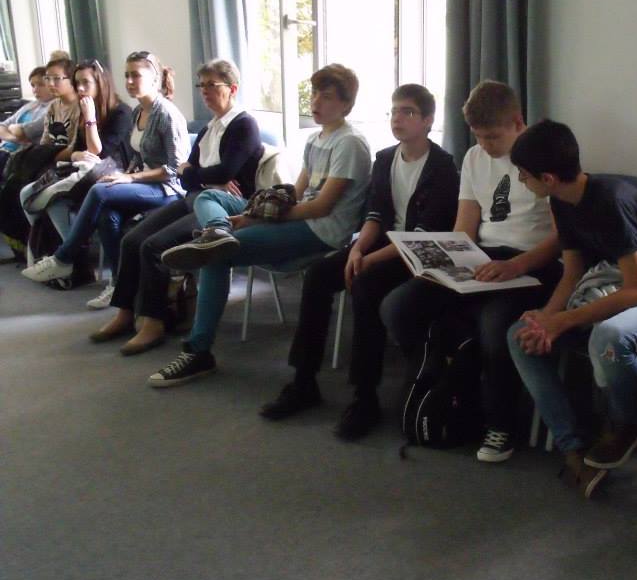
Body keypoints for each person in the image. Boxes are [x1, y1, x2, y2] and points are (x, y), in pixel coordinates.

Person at [149, 63, 370, 388]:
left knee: (215, 256)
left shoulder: (350, 143)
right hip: (300, 217)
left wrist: (256, 218)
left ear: (346, 104)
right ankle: (218, 230)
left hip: (321, 231)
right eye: (314, 94)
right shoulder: (315, 139)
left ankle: (198, 352)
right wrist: (255, 212)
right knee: (208, 197)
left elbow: (321, 207)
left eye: (326, 96)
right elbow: (296, 194)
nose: (316, 102)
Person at [506, 120, 637, 498]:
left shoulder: (610, 201)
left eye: (524, 175)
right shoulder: (561, 200)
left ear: (547, 178)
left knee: (607, 338)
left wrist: (562, 320)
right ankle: (572, 445)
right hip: (607, 288)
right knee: (520, 335)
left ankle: (626, 424)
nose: (522, 182)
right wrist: (547, 318)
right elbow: (573, 272)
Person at [260, 83, 458, 438]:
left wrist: (369, 260)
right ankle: (304, 381)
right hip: (383, 245)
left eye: (408, 112)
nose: (397, 118)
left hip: (419, 253)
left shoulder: (442, 166)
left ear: (428, 120)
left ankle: (365, 397)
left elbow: (422, 233)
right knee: (319, 275)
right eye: (394, 111)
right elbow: (376, 215)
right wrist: (356, 250)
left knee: (364, 285)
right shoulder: (385, 159)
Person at [380, 80, 562, 461]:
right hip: (484, 258)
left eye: (492, 137)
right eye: (478, 136)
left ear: (518, 122)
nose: (485, 145)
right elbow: (465, 228)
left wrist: (516, 264)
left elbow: (564, 239)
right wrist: (440, 263)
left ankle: (501, 425)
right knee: (398, 307)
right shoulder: (474, 157)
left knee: (495, 327)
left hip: (533, 264)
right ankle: (443, 385)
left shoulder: (545, 156)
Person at [90, 58, 262, 354]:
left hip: (225, 207)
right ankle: (125, 312)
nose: (204, 91)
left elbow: (221, 171)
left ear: (232, 88)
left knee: (154, 246)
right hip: (195, 196)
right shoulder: (209, 128)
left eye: (212, 85)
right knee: (131, 240)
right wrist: (203, 176)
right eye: (201, 85)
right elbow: (185, 174)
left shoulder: (244, 124)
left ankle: (153, 323)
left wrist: (198, 174)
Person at [21, 51, 189, 303]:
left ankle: (64, 258)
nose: (129, 81)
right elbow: (137, 156)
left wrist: (130, 179)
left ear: (154, 79)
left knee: (99, 191)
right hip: (144, 182)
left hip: (168, 189)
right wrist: (125, 174)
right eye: (126, 75)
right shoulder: (139, 112)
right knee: (106, 213)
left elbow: (176, 169)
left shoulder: (166, 114)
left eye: (136, 75)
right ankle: (118, 283)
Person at [19, 58, 133, 285]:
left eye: (85, 83)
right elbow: (78, 150)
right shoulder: (83, 108)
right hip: (83, 173)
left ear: (101, 83)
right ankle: (64, 257)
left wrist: (89, 119)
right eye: (77, 83)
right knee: (29, 194)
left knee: (52, 197)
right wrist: (75, 154)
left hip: (113, 174)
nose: (80, 88)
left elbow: (98, 151)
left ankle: (70, 261)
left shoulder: (121, 112)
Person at [0, 56, 81, 252]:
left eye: (56, 79)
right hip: (49, 159)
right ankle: (32, 243)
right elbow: (45, 141)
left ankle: (61, 249)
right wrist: (43, 154)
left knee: (26, 188)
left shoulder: (80, 107)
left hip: (67, 163)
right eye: (48, 78)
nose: (51, 83)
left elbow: (75, 146)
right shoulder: (54, 106)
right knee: (13, 186)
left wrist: (48, 155)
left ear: (71, 79)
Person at [0, 65, 54, 170]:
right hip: (5, 149)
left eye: (41, 85)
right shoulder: (31, 105)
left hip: (19, 157)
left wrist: (11, 128)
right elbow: (2, 126)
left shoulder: (55, 107)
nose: (35, 89)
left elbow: (24, 131)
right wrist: (13, 138)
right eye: (33, 85)